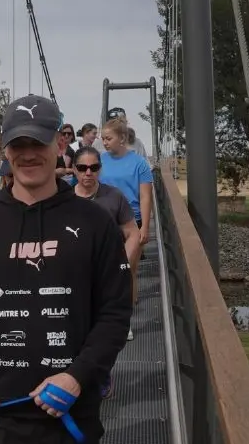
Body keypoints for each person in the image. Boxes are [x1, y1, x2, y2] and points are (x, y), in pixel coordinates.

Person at [0, 94, 132, 444]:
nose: (28, 153)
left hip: (70, 413)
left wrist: (77, 375)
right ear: (5, 149)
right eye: (18, 143)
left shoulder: (95, 222)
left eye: (38, 141)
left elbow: (115, 311)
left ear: (58, 143)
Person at [72, 145, 141, 398]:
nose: (88, 173)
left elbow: (132, 232)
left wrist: (122, 263)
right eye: (82, 168)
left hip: (105, 275)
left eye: (94, 168)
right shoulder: (63, 198)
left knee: (103, 329)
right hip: (72, 276)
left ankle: (101, 373)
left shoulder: (114, 197)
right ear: (74, 170)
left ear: (100, 169)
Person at [99, 118, 153, 340]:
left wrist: (145, 228)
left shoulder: (139, 163)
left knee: (127, 273)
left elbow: (145, 196)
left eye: (108, 138)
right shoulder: (99, 161)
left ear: (122, 138)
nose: (104, 143)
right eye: (102, 138)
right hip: (103, 222)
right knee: (101, 275)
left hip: (131, 222)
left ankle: (125, 322)